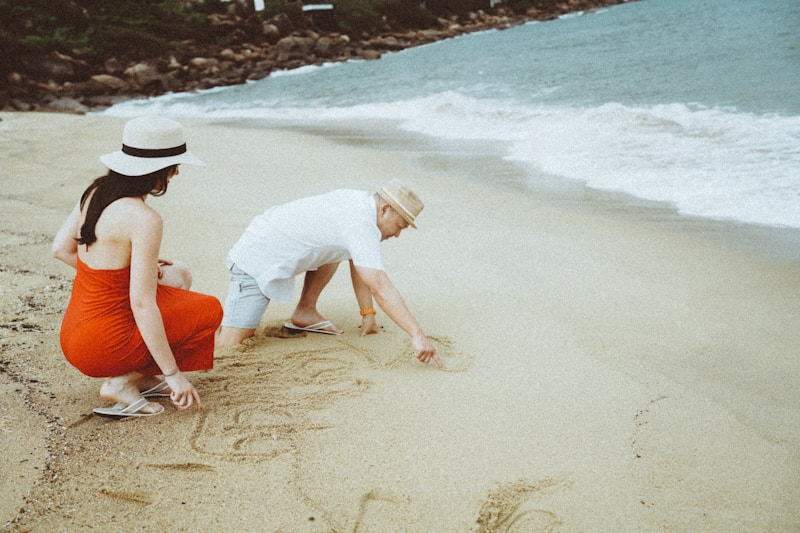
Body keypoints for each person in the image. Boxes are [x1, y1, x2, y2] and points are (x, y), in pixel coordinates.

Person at [52, 116, 223, 418]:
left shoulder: (98, 191)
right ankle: (122, 382)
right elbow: (142, 304)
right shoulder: (144, 218)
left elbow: (61, 250)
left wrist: (117, 272)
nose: (177, 173)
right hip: (102, 345)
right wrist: (174, 375)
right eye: (174, 166)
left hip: (73, 335)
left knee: (177, 273)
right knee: (209, 310)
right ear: (158, 171)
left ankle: (142, 376)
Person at [215, 181, 442, 368]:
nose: (398, 234)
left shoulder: (360, 203)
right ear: (385, 210)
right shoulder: (359, 224)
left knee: (337, 247)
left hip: (269, 239)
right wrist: (417, 334)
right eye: (400, 226)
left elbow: (358, 260)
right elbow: (380, 285)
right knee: (231, 343)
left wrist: (368, 314)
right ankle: (189, 336)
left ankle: (305, 311)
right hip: (254, 261)